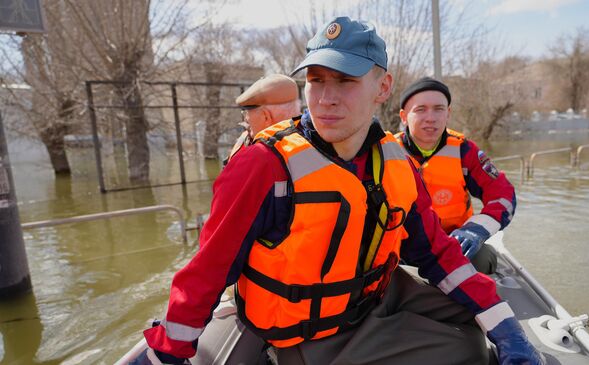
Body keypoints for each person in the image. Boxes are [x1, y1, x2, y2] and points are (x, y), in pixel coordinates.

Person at [133, 17, 544, 365]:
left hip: (375, 293)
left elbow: (435, 251)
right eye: (315, 80)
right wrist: (163, 353)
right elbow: (207, 271)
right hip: (305, 332)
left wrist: (507, 328)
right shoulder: (262, 165)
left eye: (345, 80)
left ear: (382, 88)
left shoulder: (395, 160)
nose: (326, 98)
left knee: (481, 326)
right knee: (468, 347)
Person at [397, 78, 516, 274]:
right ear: (403, 116)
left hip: (455, 242)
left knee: (483, 260)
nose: (431, 118)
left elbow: (503, 196)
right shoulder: (387, 152)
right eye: (420, 109)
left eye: (438, 109)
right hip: (403, 247)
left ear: (448, 113)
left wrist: (475, 231)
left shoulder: (464, 150)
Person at [225, 74, 302, 165]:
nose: (245, 119)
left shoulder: (258, 156)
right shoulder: (314, 139)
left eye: (246, 113)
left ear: (266, 117)